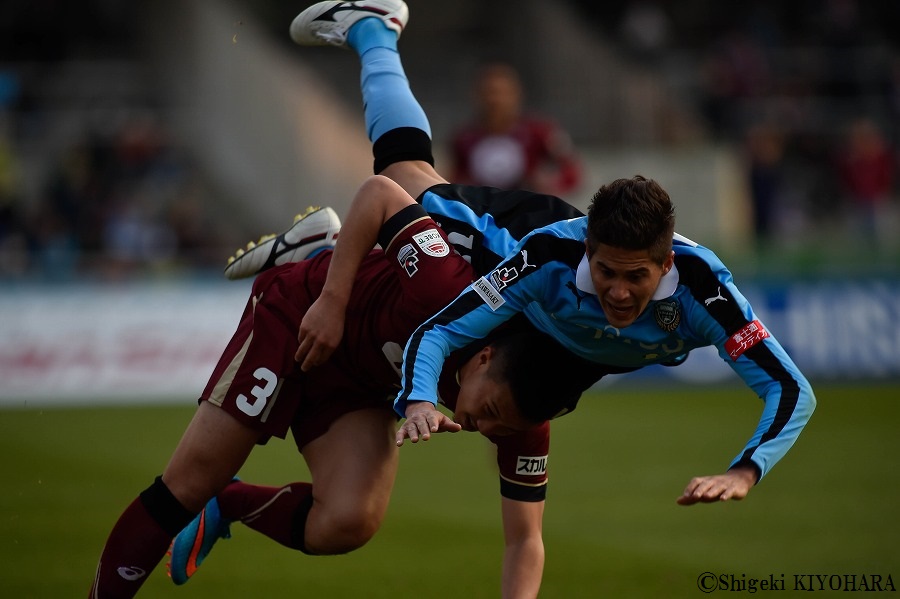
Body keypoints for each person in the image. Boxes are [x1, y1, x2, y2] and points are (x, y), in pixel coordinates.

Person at [250, 0, 815, 507]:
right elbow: (442, 330)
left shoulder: (707, 297)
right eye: (606, 273)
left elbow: (789, 388)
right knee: (401, 173)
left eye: (635, 278)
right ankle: (375, 28)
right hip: (507, 239)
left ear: (665, 266)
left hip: (557, 310)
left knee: (412, 181)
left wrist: (746, 470)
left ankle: (332, 240)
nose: (619, 293)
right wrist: (419, 397)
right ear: (588, 252)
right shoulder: (548, 256)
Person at [89, 164, 593, 597]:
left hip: (362, 384)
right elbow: (379, 191)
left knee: (349, 521)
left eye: (500, 428)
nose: (486, 428)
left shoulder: (528, 408)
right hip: (300, 318)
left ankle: (228, 502)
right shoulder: (448, 288)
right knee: (186, 485)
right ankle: (315, 258)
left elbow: (525, 539)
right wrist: (331, 302)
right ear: (484, 356)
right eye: (492, 412)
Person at [449, 61, 582, 196]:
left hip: (528, 210)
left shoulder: (540, 131)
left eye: (502, 93)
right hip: (483, 212)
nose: (495, 100)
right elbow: (455, 176)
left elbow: (571, 171)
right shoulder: (464, 137)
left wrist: (550, 186)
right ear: (476, 96)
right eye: (488, 92)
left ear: (516, 94)